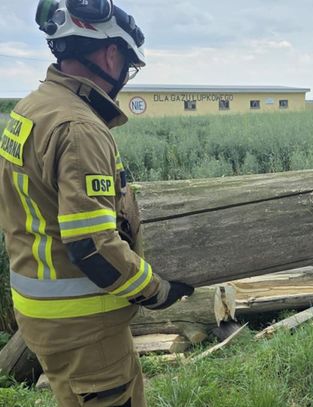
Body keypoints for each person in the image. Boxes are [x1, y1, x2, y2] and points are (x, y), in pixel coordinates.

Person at [0, 1, 193, 405]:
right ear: (110, 54)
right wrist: (156, 291)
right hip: (85, 326)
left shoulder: (31, 108)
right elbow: (92, 245)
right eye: (128, 64)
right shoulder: (79, 127)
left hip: (45, 316)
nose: (125, 74)